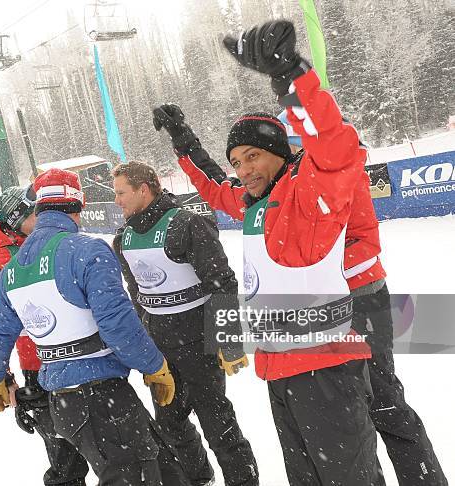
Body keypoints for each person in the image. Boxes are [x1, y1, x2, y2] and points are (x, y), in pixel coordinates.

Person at [153, 20, 383, 485]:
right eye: (237, 162)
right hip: (279, 370)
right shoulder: (253, 203)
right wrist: (184, 143)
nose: (243, 170)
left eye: (252, 157)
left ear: (279, 152)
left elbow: (335, 149)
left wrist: (290, 78)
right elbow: (214, 187)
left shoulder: (307, 193)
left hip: (326, 367)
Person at [0, 168, 190, 485]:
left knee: (167, 471)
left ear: (38, 208)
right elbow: (117, 324)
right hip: (102, 398)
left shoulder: (12, 270)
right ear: (79, 205)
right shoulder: (87, 250)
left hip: (65, 403)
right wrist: (154, 365)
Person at [277, 112, 448, 485]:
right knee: (352, 411)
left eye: (290, 147)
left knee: (384, 401)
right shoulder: (298, 176)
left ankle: (424, 478)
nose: (288, 155)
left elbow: (363, 242)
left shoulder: (337, 170)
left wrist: (320, 266)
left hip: (361, 299)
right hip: (329, 306)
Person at [111, 161, 258, 486]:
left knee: (220, 429)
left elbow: (221, 283)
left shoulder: (186, 224)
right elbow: (137, 295)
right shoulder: (123, 238)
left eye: (121, 193)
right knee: (170, 426)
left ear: (143, 190)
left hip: (199, 347)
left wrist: (230, 340)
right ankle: (199, 479)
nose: (117, 200)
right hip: (161, 352)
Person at [0, 185, 89, 486]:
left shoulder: (56, 245)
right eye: (32, 213)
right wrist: (5, 380)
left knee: (112, 449)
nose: (40, 217)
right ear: (15, 220)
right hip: (39, 370)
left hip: (81, 358)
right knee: (66, 459)